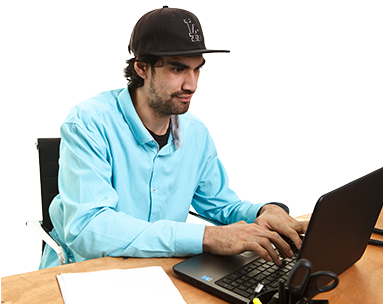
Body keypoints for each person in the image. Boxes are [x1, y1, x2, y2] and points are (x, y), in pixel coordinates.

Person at [39, 6, 308, 269]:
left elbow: (221, 204)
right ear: (142, 68)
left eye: (197, 69)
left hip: (162, 271)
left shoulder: (196, 133)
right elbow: (89, 229)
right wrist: (207, 237)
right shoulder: (88, 123)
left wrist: (264, 212)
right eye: (178, 69)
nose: (191, 84)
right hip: (88, 271)